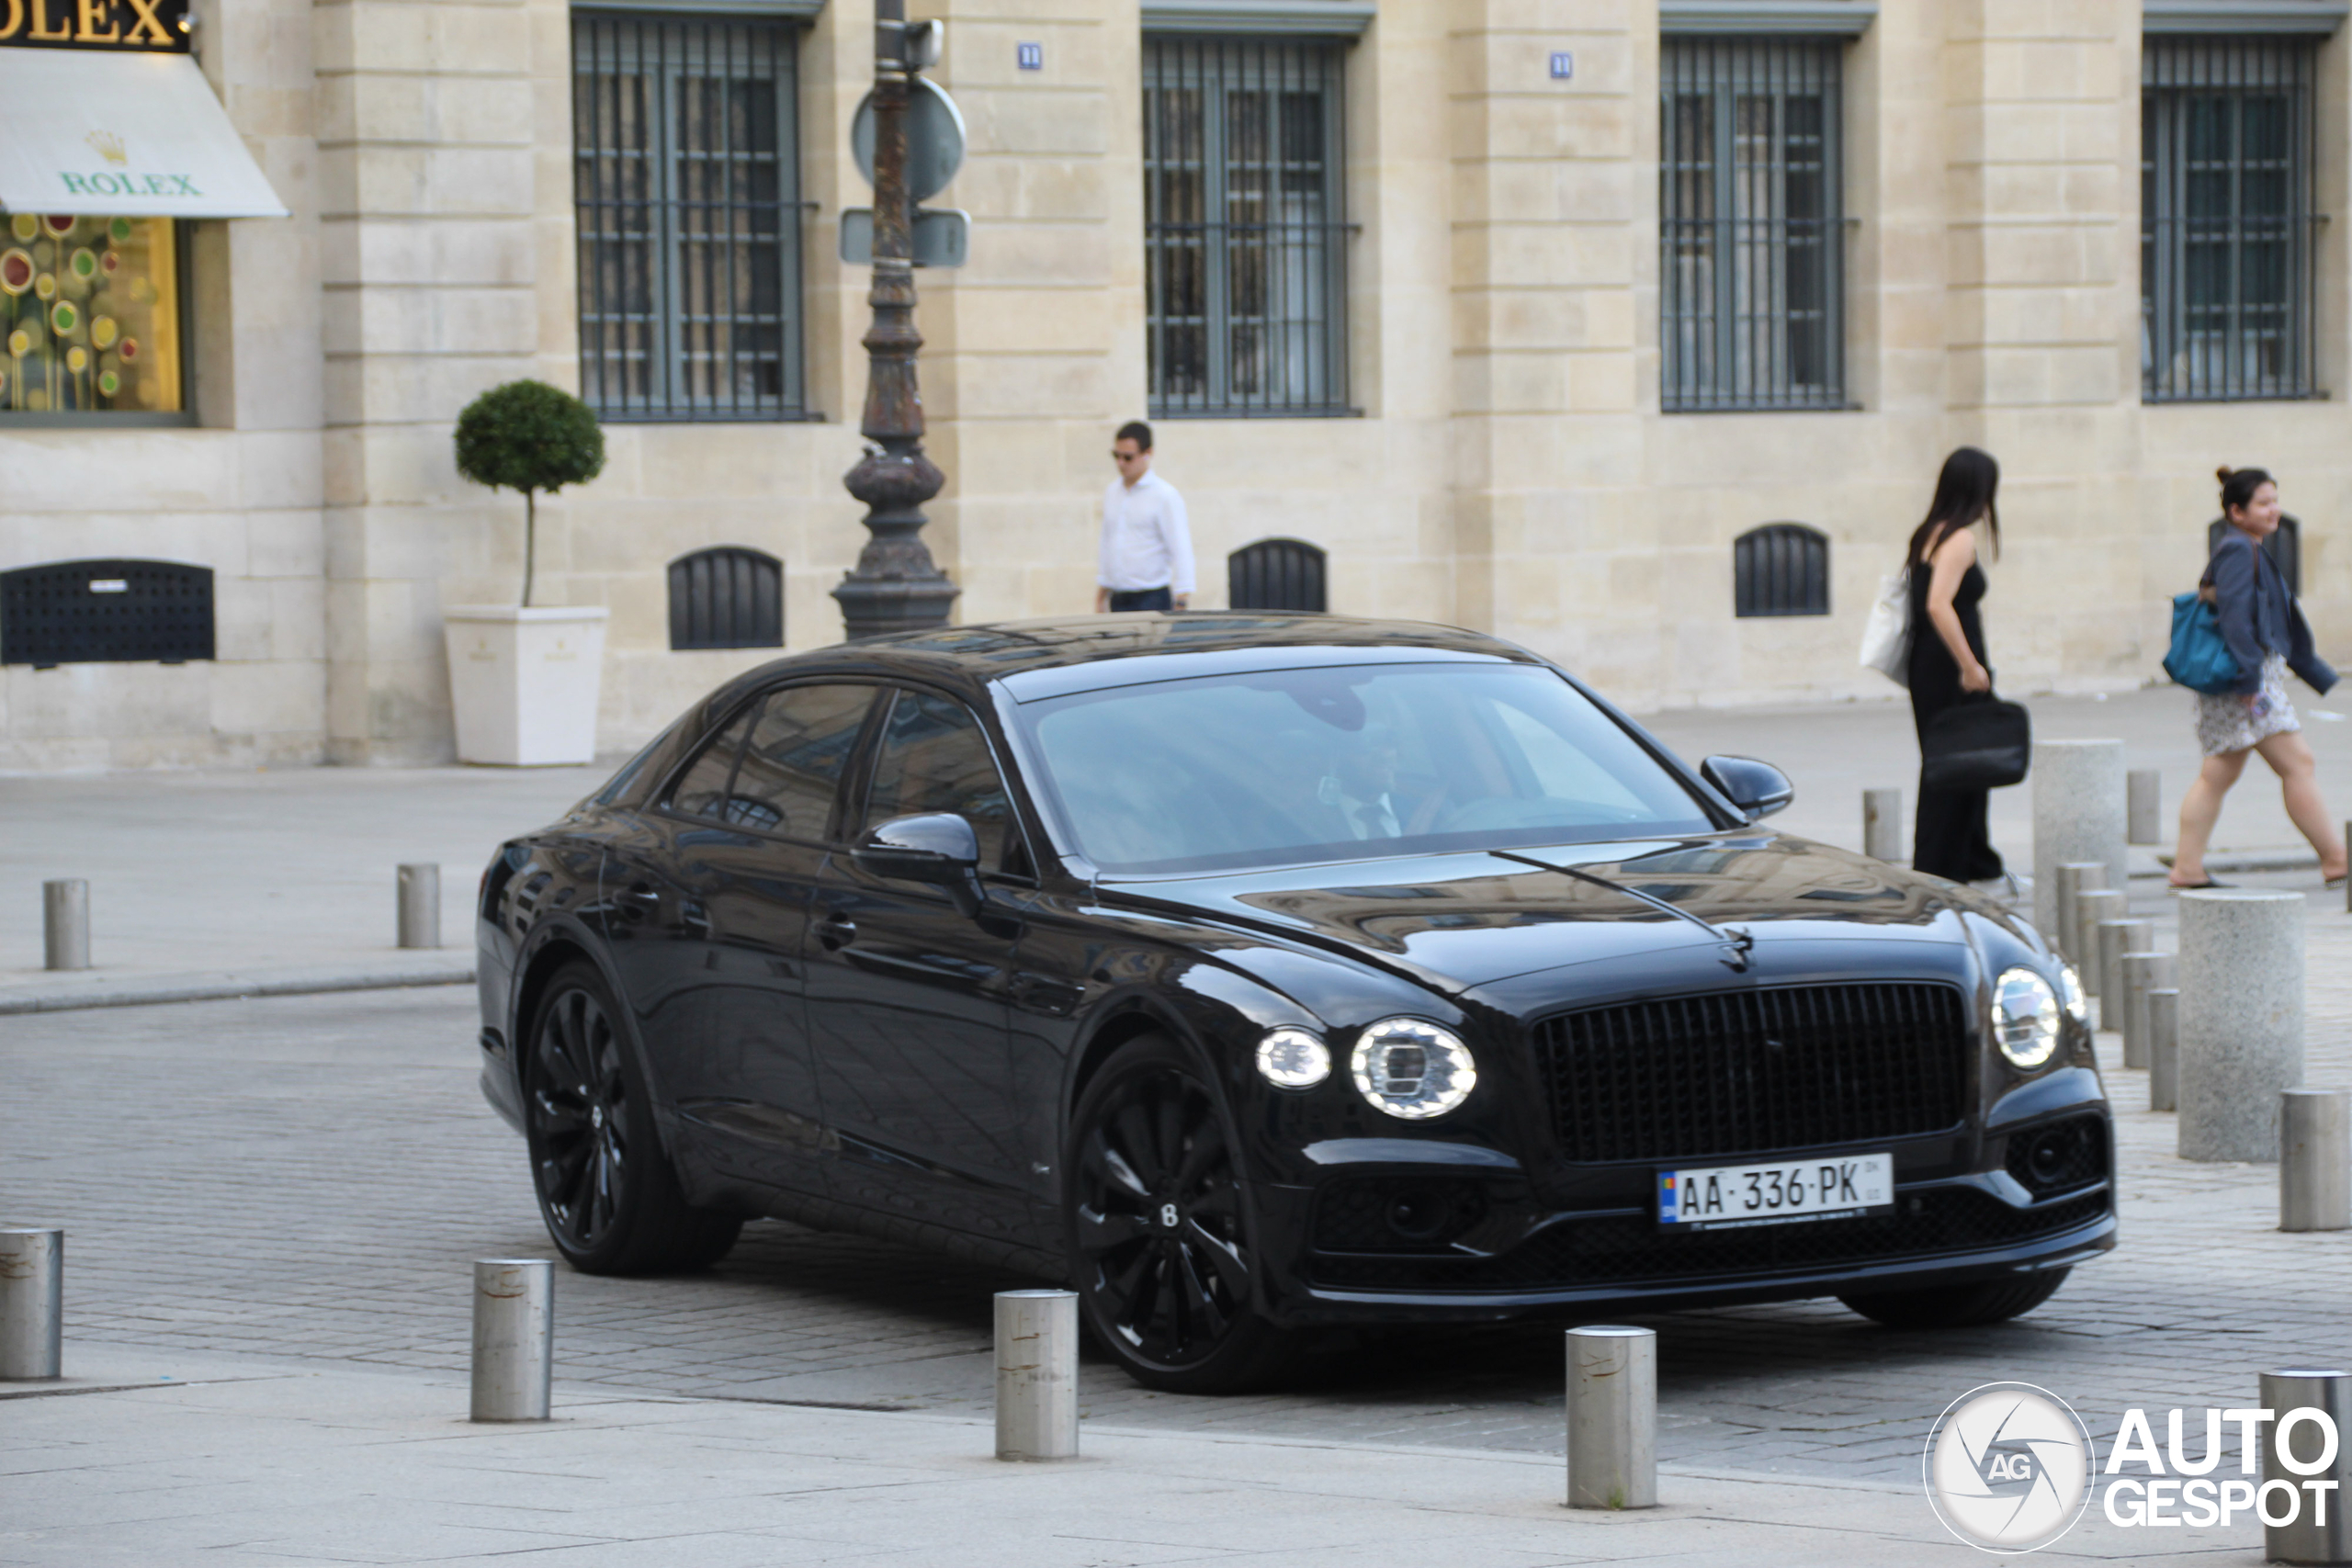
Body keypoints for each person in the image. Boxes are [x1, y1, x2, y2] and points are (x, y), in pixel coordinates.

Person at [2169, 467, 2346, 891]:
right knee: (2297, 763)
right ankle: (2337, 860)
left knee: (2219, 773)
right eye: (2263, 503)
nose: (2274, 511)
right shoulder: (2236, 551)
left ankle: (2187, 867)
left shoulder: (2243, 547)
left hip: (2244, 680)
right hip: (2245, 683)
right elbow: (2235, 621)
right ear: (2236, 511)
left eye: (2275, 501)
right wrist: (2250, 684)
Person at [1905, 446, 2009, 889]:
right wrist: (1970, 666)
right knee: (1961, 763)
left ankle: (1969, 857)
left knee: (1953, 761)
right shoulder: (1960, 539)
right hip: (1951, 667)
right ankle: (1945, 865)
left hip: (1929, 663)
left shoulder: (1927, 532)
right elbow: (1937, 605)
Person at [1095, 421, 1194, 613]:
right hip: (1119, 596)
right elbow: (1107, 543)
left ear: (1148, 453)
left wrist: (1182, 598)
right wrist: (1101, 594)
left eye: (1128, 457)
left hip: (1151, 597)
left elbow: (1181, 547)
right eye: (1116, 456)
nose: (1120, 463)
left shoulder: (1164, 495)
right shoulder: (1112, 492)